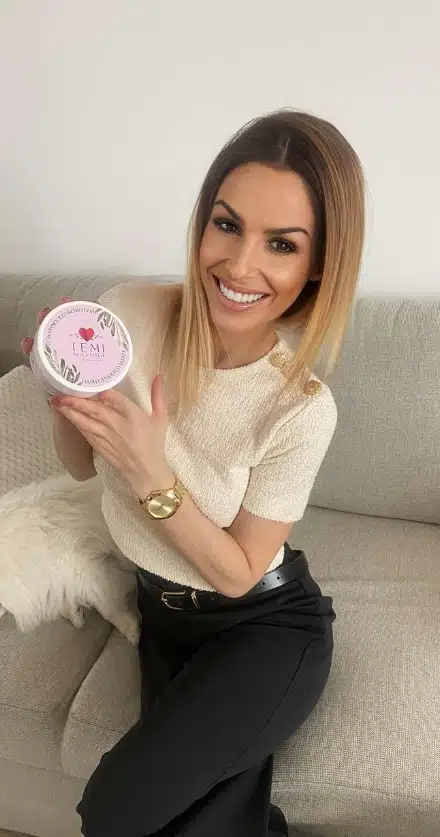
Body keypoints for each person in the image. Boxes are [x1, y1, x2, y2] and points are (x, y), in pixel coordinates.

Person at [22, 109, 365, 837]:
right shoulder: (128, 316)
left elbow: (238, 573)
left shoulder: (300, 409)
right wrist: (67, 392)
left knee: (113, 813)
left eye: (281, 244)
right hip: (165, 619)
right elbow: (79, 466)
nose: (239, 266)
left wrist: (152, 475)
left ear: (319, 265)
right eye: (226, 224)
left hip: (264, 625)